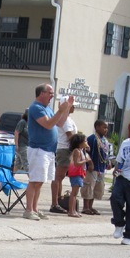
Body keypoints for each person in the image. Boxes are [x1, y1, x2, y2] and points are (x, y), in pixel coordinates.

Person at [24, 83, 73, 220]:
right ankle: (28, 210)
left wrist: (66, 109)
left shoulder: (47, 108)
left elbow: (60, 123)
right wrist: (59, 111)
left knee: (40, 181)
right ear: (42, 93)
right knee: (34, 180)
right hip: (38, 149)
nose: (52, 95)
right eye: (50, 93)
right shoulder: (36, 108)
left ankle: (35, 209)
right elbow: (48, 124)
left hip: (48, 150)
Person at [51, 104, 77, 213]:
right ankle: (55, 203)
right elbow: (70, 135)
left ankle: (58, 201)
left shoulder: (68, 119)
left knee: (60, 177)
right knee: (58, 176)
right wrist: (79, 145)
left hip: (65, 149)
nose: (74, 107)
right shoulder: (65, 120)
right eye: (72, 106)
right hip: (64, 149)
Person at [83, 119, 110, 215]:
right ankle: (85, 207)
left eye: (107, 128)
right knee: (89, 186)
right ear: (97, 127)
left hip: (101, 167)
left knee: (97, 188)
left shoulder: (104, 140)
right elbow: (86, 152)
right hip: (93, 167)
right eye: (104, 127)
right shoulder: (92, 139)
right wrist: (90, 163)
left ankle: (90, 206)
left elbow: (106, 152)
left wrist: (108, 161)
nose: (106, 130)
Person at [66, 133, 89, 218]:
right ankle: (71, 211)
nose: (87, 143)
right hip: (75, 173)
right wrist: (85, 161)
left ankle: (74, 210)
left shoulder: (81, 151)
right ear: (80, 142)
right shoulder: (76, 151)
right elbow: (76, 163)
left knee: (76, 193)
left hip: (79, 174)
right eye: (85, 141)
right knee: (74, 193)